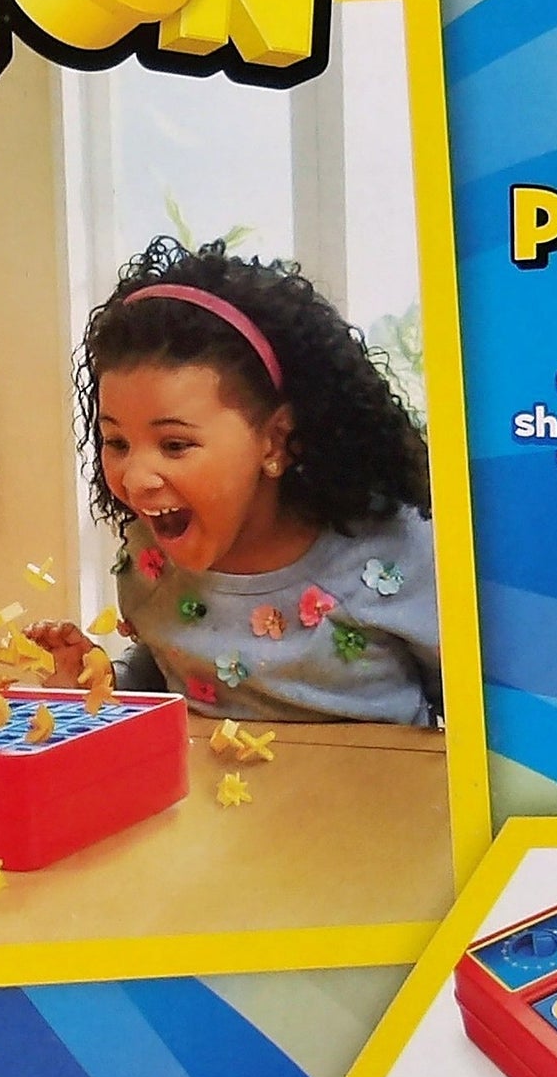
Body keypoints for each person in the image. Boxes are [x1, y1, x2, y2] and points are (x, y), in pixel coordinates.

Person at [79, 238, 441, 725]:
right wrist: (103, 684)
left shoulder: (399, 556)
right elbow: (167, 665)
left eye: (175, 445)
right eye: (117, 443)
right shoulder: (148, 559)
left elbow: (492, 717)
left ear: (273, 442)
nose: (136, 479)